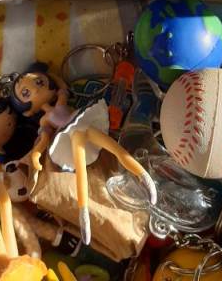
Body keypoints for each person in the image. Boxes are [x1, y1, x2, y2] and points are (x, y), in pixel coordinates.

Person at [10, 65, 156, 246]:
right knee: (81, 171)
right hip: (70, 137)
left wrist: (52, 76)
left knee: (117, 150)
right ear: (27, 111)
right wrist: (35, 156)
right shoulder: (44, 120)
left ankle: (144, 177)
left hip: (84, 122)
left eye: (39, 82)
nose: (36, 89)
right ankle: (84, 212)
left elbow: (63, 88)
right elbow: (43, 139)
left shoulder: (61, 100)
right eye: (26, 93)